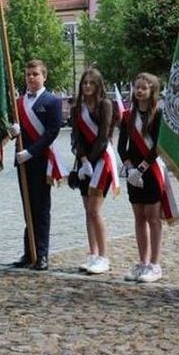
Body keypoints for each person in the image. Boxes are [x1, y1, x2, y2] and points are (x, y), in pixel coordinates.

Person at [117, 72, 174, 284]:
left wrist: (141, 168)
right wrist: (130, 167)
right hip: (133, 173)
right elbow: (122, 145)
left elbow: (159, 145)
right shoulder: (127, 116)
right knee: (139, 217)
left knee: (153, 217)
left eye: (144, 88)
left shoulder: (158, 114)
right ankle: (142, 262)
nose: (139, 91)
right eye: (136, 87)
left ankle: (154, 264)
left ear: (152, 91)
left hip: (151, 170)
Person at [10, 59, 63, 271]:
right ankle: (28, 251)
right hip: (23, 162)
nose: (31, 77)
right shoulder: (19, 102)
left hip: (40, 161)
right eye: (28, 74)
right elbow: (16, 128)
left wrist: (30, 152)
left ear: (44, 76)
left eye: (35, 74)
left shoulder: (52, 101)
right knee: (27, 208)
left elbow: (52, 132)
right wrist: (12, 131)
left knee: (41, 208)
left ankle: (42, 254)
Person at [69, 67, 118, 275]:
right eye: (84, 83)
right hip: (84, 162)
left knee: (95, 210)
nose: (87, 86)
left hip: (101, 159)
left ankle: (103, 257)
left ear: (98, 85)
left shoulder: (105, 105)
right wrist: (81, 159)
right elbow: (76, 136)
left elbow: (104, 135)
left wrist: (91, 159)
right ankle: (93, 253)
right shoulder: (77, 107)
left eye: (91, 83)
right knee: (87, 211)